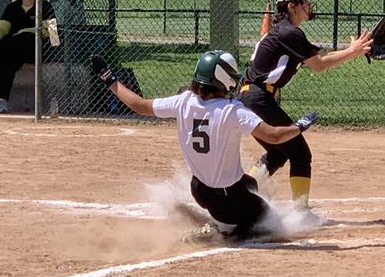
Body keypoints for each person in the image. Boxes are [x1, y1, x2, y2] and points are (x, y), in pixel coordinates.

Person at [93, 50, 318, 240]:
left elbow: (140, 105)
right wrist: (299, 126)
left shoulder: (183, 101)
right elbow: (274, 136)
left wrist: (110, 79)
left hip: (199, 190)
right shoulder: (232, 110)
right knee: (271, 227)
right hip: (229, 199)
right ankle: (224, 232)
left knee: (250, 184)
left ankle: (222, 222)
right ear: (223, 80)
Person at [238, 0, 373, 208]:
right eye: (304, 1)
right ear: (292, 6)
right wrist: (353, 51)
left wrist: (353, 50)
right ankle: (300, 212)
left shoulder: (284, 32)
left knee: (278, 152)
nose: (308, 5)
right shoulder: (289, 33)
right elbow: (318, 65)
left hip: (251, 97)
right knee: (300, 153)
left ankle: (242, 195)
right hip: (257, 98)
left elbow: (318, 54)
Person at [0, 0, 56, 113]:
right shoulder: (13, 7)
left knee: (23, 38)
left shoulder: (46, 6)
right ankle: (3, 102)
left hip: (35, 49)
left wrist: (24, 31)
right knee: (5, 57)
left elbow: (51, 33)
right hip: (14, 50)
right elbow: (2, 28)